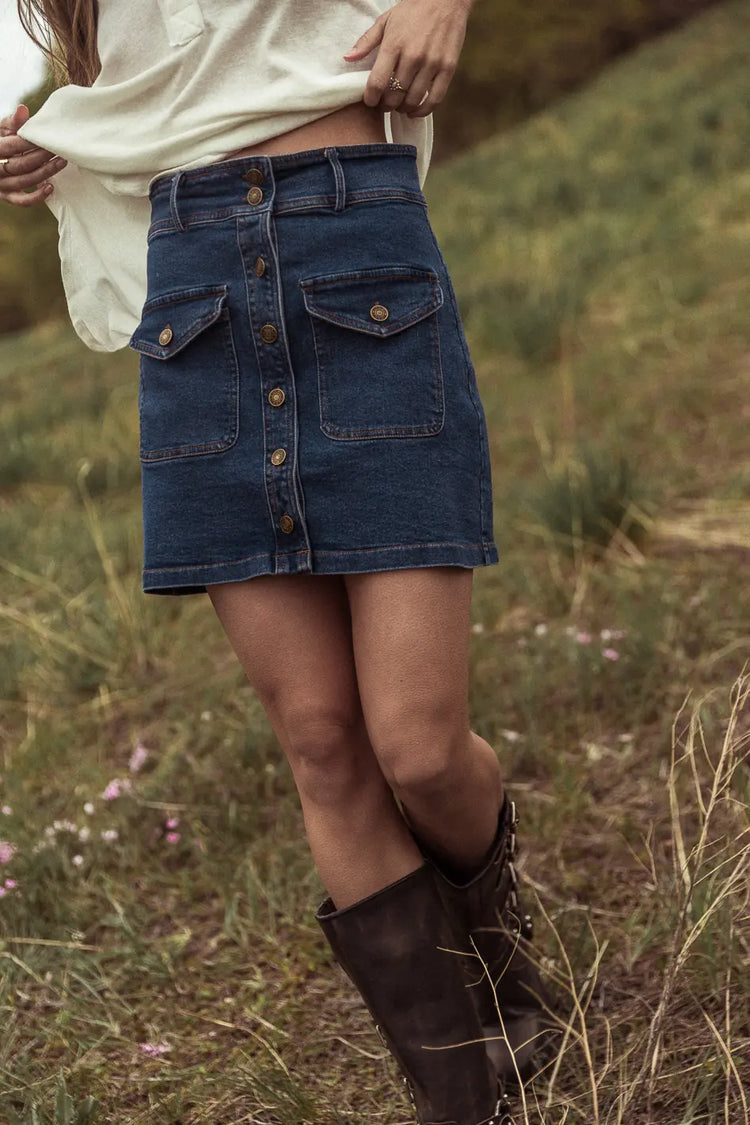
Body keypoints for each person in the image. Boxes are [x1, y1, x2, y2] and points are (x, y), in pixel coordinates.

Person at [1, 2, 554, 1122]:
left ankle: (513, 986)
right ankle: (463, 1096)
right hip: (191, 281)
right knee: (318, 739)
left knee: (421, 747)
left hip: (356, 239)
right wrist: (55, 125)